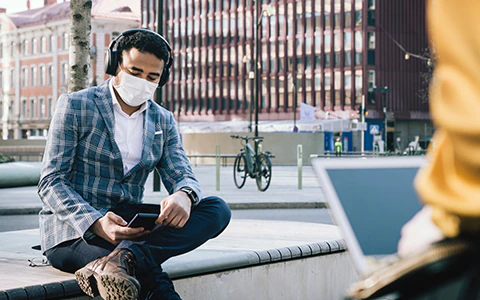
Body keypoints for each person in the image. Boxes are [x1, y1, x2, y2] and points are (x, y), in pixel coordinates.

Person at [37, 28, 231, 300]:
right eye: (135, 72)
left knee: (217, 210)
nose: (142, 81)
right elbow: (51, 182)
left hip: (129, 225)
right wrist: (95, 222)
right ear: (115, 64)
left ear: (162, 78)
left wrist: (184, 195)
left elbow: (181, 173)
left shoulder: (163, 120)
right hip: (74, 231)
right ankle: (129, 258)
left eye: (152, 76)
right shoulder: (76, 105)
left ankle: (128, 255)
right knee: (143, 272)